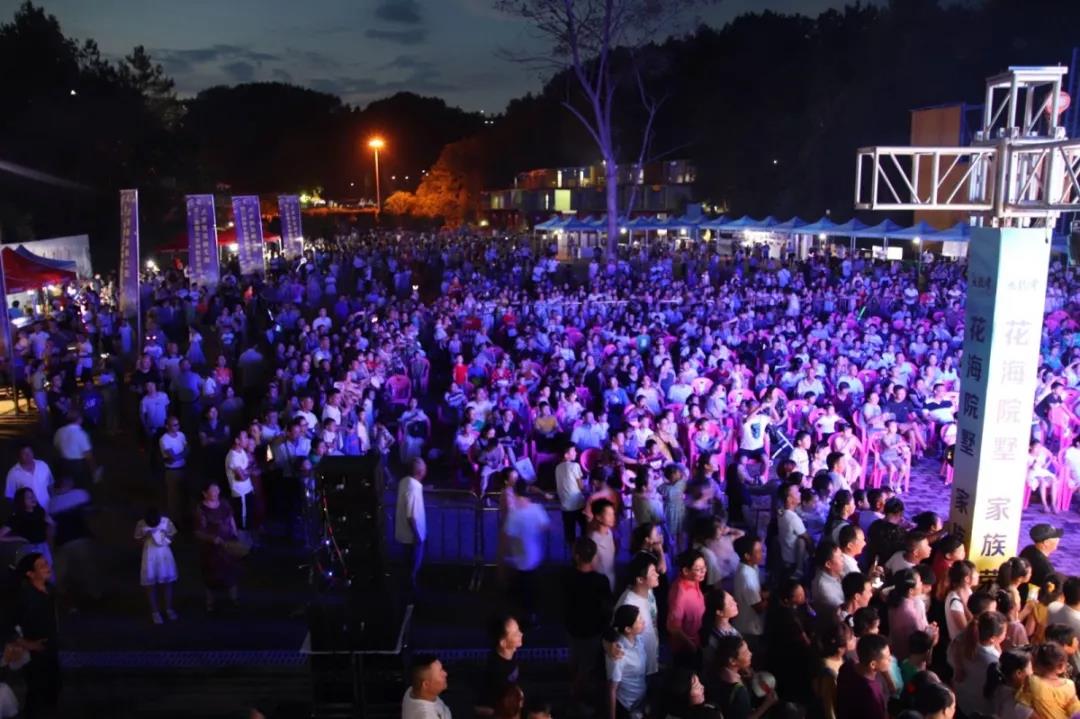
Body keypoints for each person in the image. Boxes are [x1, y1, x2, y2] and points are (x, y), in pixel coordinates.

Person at [564, 537, 613, 711]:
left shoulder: (567, 577)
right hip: (593, 631)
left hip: (573, 628)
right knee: (587, 666)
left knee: (575, 660)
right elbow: (607, 607)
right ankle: (578, 696)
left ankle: (574, 692)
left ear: (576, 556)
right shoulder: (601, 581)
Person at [16, 553, 61, 716]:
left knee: (52, 690)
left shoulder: (50, 590)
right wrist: (28, 644)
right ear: (30, 573)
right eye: (41, 566)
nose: (47, 568)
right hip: (34, 654)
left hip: (51, 649)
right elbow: (8, 625)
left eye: (47, 564)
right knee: (36, 694)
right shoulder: (25, 596)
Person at [503, 478, 550, 625]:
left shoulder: (514, 514)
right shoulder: (537, 509)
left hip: (520, 560)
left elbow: (508, 535)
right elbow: (546, 526)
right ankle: (534, 616)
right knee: (534, 590)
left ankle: (523, 619)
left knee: (522, 592)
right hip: (535, 557)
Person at [193, 481, 240, 612]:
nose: (216, 493)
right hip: (211, 549)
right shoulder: (201, 509)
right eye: (213, 491)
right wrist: (212, 539)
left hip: (228, 544)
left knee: (231, 572)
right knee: (211, 575)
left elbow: (231, 520)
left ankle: (234, 599)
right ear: (205, 493)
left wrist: (235, 534)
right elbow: (198, 532)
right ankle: (210, 603)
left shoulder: (224, 504)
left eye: (217, 490)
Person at [954, 611, 1006, 717]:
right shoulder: (992, 663)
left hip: (963, 702)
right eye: (1005, 632)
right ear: (992, 638)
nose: (1005, 634)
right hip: (980, 709)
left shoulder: (965, 643)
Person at [618, 552, 661, 677]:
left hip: (652, 658)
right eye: (652, 573)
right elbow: (615, 633)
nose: (657, 574)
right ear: (640, 579)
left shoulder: (648, 590)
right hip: (639, 670)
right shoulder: (628, 604)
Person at [134, 506, 178, 624]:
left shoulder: (166, 521)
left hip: (164, 554)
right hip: (149, 555)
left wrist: (164, 539)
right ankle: (155, 612)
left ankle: (169, 609)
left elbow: (172, 535)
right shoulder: (141, 524)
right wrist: (146, 536)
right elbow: (137, 540)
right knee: (150, 584)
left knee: (168, 583)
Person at [606, 604, 649, 719]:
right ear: (628, 629)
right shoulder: (619, 653)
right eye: (639, 620)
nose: (643, 622)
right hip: (626, 705)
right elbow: (612, 689)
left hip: (639, 701)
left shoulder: (639, 640)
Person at [836, 633, 891, 719]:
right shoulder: (872, 694)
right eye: (887, 658)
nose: (890, 659)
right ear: (873, 664)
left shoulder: (847, 667)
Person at [476, 615, 523, 716]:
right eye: (515, 634)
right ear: (503, 643)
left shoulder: (512, 653)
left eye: (518, 630)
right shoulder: (495, 670)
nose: (521, 634)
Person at [1019, 642, 1080, 719]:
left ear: (1035, 663)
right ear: (1061, 666)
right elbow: (1075, 710)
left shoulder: (1032, 681)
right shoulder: (1069, 685)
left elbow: (1021, 705)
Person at [667, 549, 707, 662]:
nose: (703, 571)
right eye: (698, 569)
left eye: (704, 567)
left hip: (697, 639)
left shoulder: (694, 580)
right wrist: (692, 646)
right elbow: (673, 627)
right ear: (685, 571)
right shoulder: (680, 593)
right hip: (685, 648)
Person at [395, 458, 427, 595]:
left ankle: (408, 591)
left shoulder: (404, 481)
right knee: (412, 567)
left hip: (405, 535)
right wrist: (417, 536)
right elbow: (411, 516)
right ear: (420, 471)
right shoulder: (413, 488)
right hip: (412, 538)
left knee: (407, 565)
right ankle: (411, 594)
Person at [0, 487, 54, 567]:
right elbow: (1, 536)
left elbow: (50, 522)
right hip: (29, 548)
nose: (33, 499)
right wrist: (19, 538)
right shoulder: (17, 517)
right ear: (22, 501)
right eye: (29, 497)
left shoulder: (39, 510)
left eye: (33, 496)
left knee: (49, 567)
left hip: (43, 545)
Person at [731, 535, 766, 653]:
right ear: (747, 556)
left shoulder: (751, 567)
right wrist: (775, 599)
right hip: (749, 629)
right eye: (758, 551)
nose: (762, 554)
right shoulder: (746, 576)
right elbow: (758, 607)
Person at [985, 648, 1034, 719]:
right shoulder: (1019, 704)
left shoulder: (997, 688)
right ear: (1019, 673)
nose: (1032, 672)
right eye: (1031, 668)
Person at [159, 416, 188, 528]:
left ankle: (183, 518)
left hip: (183, 468)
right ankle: (174, 521)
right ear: (167, 426)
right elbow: (173, 456)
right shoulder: (164, 439)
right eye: (175, 425)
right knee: (173, 498)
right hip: (172, 471)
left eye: (178, 424)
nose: (178, 427)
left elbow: (188, 449)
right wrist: (179, 456)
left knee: (184, 495)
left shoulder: (181, 435)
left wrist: (176, 457)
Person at [402, 654, 452, 719]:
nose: (445, 674)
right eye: (440, 673)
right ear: (426, 684)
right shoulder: (427, 716)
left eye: (442, 669)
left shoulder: (412, 689)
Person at [4, 445, 53, 512]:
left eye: (30, 452)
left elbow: (51, 485)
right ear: (19, 456)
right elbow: (10, 496)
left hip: (49, 508)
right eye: (24, 453)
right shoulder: (13, 473)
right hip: (29, 514)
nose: (28, 455)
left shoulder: (42, 465)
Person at [555, 444, 587, 546]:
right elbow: (581, 486)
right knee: (585, 528)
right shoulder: (575, 466)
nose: (576, 453)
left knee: (569, 534)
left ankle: (571, 552)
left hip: (565, 506)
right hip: (577, 504)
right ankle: (583, 550)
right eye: (573, 451)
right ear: (566, 455)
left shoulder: (557, 468)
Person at [1020, 523, 1063, 594]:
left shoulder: (1028, 549)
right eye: (1055, 537)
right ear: (1046, 542)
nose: (1058, 539)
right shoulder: (1046, 569)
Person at [589, 498, 617, 591]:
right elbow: (592, 568)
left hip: (611, 580)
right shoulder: (593, 540)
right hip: (600, 586)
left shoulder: (609, 533)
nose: (613, 517)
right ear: (598, 517)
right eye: (609, 514)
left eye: (613, 514)